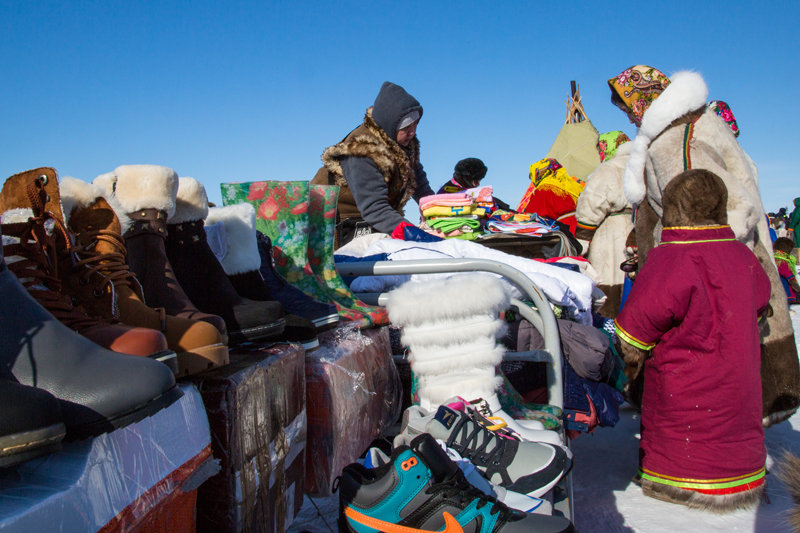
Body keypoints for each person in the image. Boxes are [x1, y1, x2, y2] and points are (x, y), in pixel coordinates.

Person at [610, 64, 800, 427]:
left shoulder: (676, 144)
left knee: (705, 366)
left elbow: (706, 212)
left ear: (644, 100)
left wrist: (690, 272)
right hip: (724, 263)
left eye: (627, 107)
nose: (628, 116)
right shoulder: (692, 127)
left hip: (703, 272)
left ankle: (706, 448)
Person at [616, 169, 770, 511]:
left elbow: (634, 333)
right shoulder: (743, 256)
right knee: (735, 422)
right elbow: (761, 305)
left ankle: (678, 482)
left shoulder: (671, 258)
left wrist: (623, 370)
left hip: (684, 392)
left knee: (682, 425)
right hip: (738, 383)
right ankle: (738, 479)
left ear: (672, 208)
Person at [312, 81, 434, 246]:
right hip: (337, 225)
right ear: (390, 123)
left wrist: (439, 212)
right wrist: (417, 236)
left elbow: (423, 191)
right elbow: (374, 209)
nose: (413, 132)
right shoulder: (361, 150)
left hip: (372, 221)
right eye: (406, 127)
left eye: (415, 124)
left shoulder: (405, 147)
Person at [575, 131, 633, 318]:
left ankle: (609, 331)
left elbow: (591, 204)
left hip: (611, 234)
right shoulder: (643, 166)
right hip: (638, 228)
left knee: (610, 289)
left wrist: (581, 242)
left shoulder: (609, 169)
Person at [774, 237, 800, 305]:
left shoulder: (773, 259)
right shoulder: (782, 262)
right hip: (786, 293)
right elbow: (790, 278)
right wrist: (797, 288)